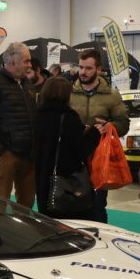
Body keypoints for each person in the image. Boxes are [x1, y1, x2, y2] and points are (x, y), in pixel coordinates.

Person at [69, 48, 130, 223]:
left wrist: (109, 126)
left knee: (97, 206)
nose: (83, 72)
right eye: (81, 67)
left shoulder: (112, 96)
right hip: (73, 158)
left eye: (88, 68)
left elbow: (124, 124)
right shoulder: (69, 93)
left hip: (99, 158)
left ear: (98, 69)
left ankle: (100, 236)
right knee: (72, 204)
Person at [0, 42, 37, 208]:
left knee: (27, 203)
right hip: (6, 154)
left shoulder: (26, 84)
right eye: (26, 61)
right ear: (12, 63)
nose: (30, 65)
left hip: (28, 154)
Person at [34, 77, 100, 220]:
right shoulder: (69, 117)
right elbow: (82, 148)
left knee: (47, 219)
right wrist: (94, 133)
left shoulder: (37, 114)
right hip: (67, 179)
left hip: (42, 176)